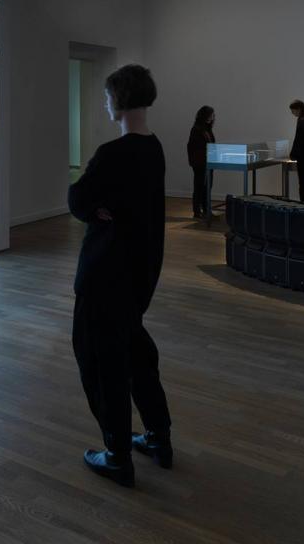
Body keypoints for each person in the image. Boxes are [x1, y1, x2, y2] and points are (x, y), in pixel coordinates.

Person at [69, 64, 172, 488]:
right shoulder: (155, 149)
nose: (104, 102)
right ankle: (158, 438)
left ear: (120, 99)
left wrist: (95, 209)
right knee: (136, 354)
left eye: (107, 95)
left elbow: (76, 198)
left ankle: (116, 455)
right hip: (138, 275)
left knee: (101, 361)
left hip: (103, 276)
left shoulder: (113, 154)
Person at [187, 106, 216, 219]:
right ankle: (197, 211)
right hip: (200, 163)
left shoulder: (207, 129)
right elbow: (195, 147)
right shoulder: (197, 129)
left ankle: (206, 210)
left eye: (213, 115)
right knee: (199, 186)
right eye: (210, 114)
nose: (212, 117)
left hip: (209, 162)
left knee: (208, 187)